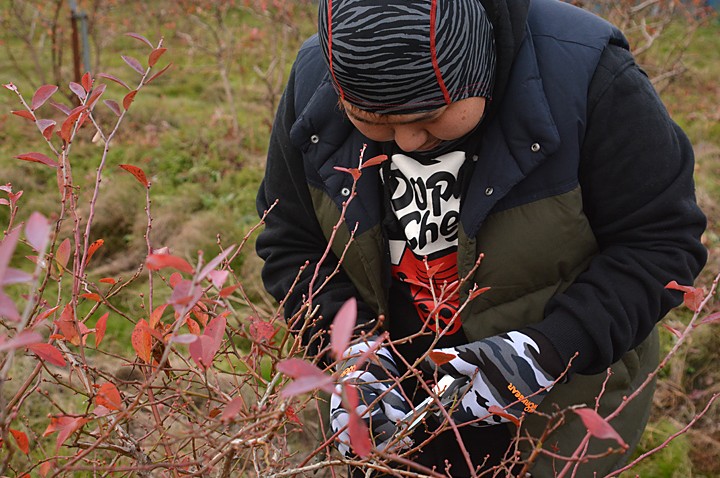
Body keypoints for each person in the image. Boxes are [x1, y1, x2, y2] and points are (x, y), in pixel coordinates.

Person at [255, 0, 707, 476]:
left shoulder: (585, 74)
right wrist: (350, 354)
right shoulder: (317, 81)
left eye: (430, 115)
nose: (406, 142)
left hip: (555, 402)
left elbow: (660, 242)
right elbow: (293, 244)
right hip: (393, 406)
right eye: (373, 119)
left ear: (479, 74)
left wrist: (547, 351)